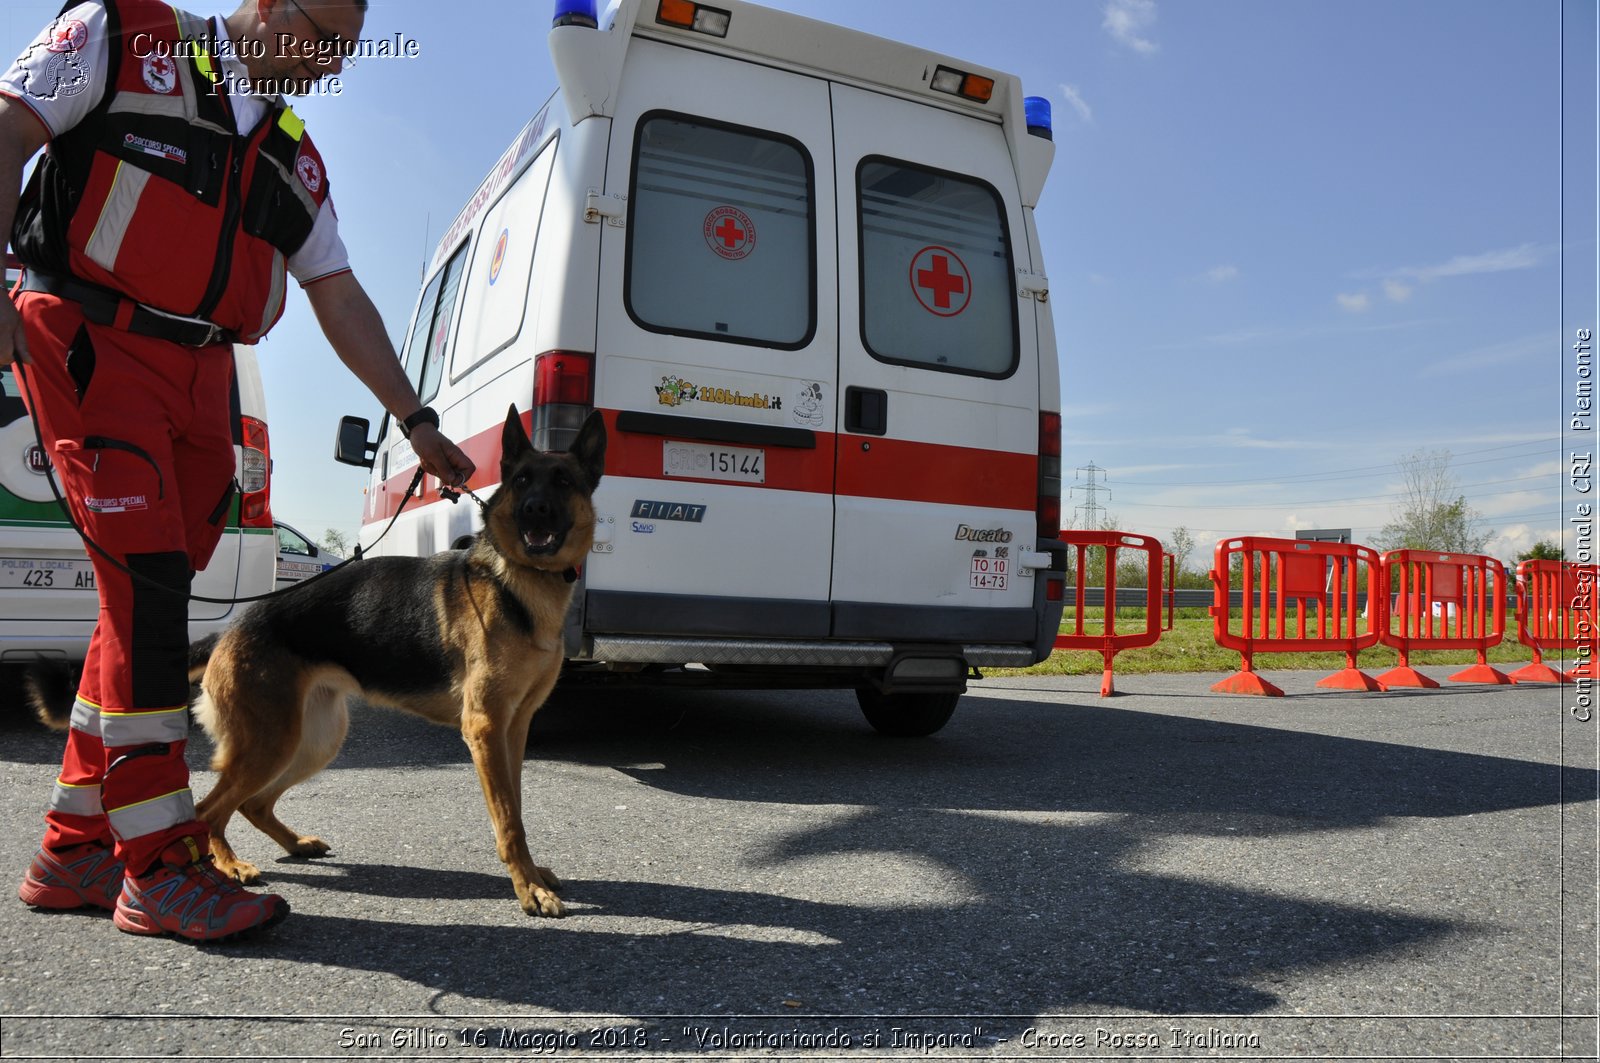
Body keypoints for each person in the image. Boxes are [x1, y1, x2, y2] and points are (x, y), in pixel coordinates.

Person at [0, 0, 475, 942]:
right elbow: (9, 128)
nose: (333, 64)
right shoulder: (129, 35)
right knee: (147, 589)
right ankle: (159, 864)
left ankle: (72, 848)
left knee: (142, 600)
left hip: (200, 371)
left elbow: (337, 293)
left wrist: (416, 420)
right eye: (322, 36)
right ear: (262, 3)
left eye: (346, 49)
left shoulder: (292, 159)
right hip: (91, 337)